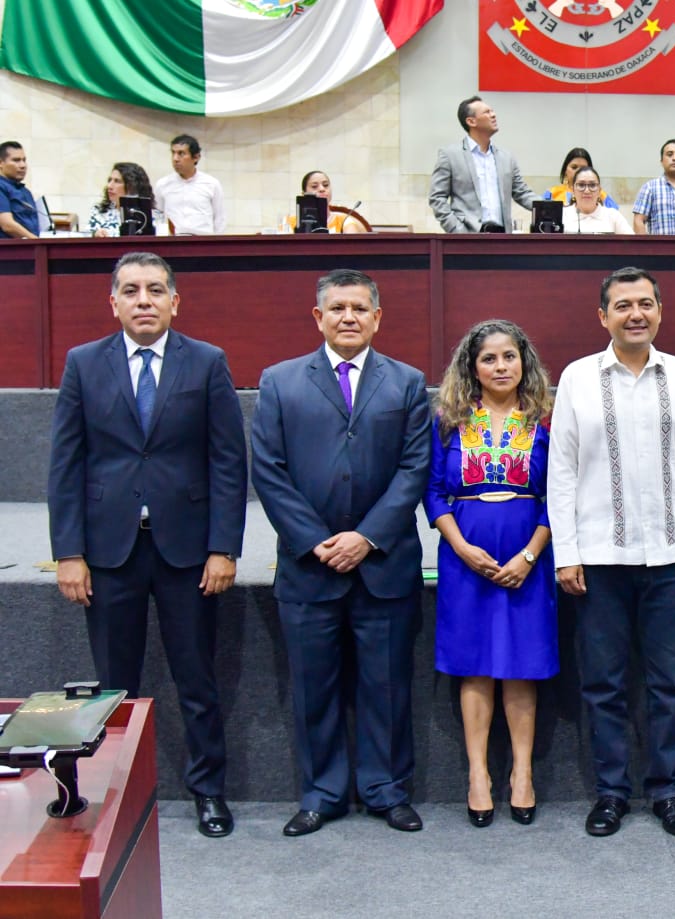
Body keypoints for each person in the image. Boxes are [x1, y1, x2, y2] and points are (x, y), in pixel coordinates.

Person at [47, 251, 247, 838]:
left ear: (174, 301)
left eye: (155, 290)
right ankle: (117, 796)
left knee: (196, 681)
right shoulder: (83, 364)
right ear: (113, 302)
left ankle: (208, 791)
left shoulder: (206, 362)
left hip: (188, 553)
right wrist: (68, 552)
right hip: (108, 554)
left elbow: (228, 464)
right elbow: (66, 464)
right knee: (114, 686)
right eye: (131, 291)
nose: (143, 300)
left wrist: (224, 548)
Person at [251, 269, 431, 837]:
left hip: (383, 562)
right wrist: (314, 540)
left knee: (386, 685)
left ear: (378, 318)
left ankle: (386, 789)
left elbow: (413, 470)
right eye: (337, 308)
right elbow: (269, 470)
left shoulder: (406, 383)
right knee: (313, 686)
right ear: (318, 318)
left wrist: (366, 536)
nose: (348, 317)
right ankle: (322, 793)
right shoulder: (280, 382)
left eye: (359, 308)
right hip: (309, 565)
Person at [547, 266, 675, 838]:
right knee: (603, 685)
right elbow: (563, 472)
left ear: (660, 311)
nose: (635, 314)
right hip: (599, 560)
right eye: (623, 306)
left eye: (645, 303)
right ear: (603, 317)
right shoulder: (576, 378)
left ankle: (668, 792)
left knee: (671, 684)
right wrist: (567, 553)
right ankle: (611, 793)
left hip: (674, 558)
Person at [424, 319, 557, 828]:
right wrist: (460, 548)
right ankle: (478, 774)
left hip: (529, 554)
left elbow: (558, 492)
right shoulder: (448, 418)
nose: (500, 366)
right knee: (475, 664)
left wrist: (530, 554)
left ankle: (521, 773)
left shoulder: (544, 418)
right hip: (466, 557)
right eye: (488, 358)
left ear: (524, 361)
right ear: (471, 367)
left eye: (509, 356)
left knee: (522, 665)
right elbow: (434, 491)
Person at [429, 95, 535, 233]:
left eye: (492, 111)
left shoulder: (506, 158)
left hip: (503, 238)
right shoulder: (450, 155)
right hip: (466, 237)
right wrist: (456, 229)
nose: (493, 115)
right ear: (471, 121)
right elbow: (437, 198)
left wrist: (556, 207)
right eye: (487, 112)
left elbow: (522, 193)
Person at [153, 135, 226, 235]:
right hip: (173, 242)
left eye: (181, 154)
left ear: (196, 157)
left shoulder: (211, 184)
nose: (175, 159)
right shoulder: (162, 184)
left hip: (202, 241)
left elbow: (219, 219)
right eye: (173, 153)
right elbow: (158, 217)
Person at [88, 162, 156, 237]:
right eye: (109, 180)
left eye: (117, 181)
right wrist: (95, 235)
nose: (109, 186)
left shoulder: (152, 216)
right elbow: (86, 237)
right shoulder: (99, 212)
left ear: (132, 186)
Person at [561, 166, 633, 235]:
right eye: (581, 185)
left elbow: (633, 244)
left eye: (592, 185)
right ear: (573, 190)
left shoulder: (612, 216)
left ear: (599, 191)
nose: (587, 190)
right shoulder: (563, 215)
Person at [291, 171, 367, 233]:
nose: (322, 189)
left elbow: (351, 247)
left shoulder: (344, 221)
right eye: (314, 186)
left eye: (326, 185)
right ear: (304, 194)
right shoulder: (291, 222)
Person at [543, 147, 619, 209]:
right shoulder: (552, 193)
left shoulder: (600, 194)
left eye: (583, 168)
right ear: (565, 170)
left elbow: (615, 215)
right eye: (574, 167)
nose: (578, 171)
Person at [0, 141, 39, 238]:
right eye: (16, 160)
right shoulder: (1, 187)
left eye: (24, 160)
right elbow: (7, 225)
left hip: (32, 249)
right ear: (1, 163)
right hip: (11, 251)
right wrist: (37, 242)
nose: (23, 165)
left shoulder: (25, 192)